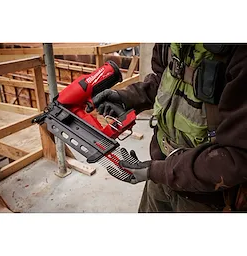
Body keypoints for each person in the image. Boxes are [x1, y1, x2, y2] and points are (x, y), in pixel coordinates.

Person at [89, 43, 247, 212]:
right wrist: (126, 97)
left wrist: (157, 171)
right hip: (159, 174)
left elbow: (237, 157)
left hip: (206, 199)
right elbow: (165, 78)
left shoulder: (239, 55)